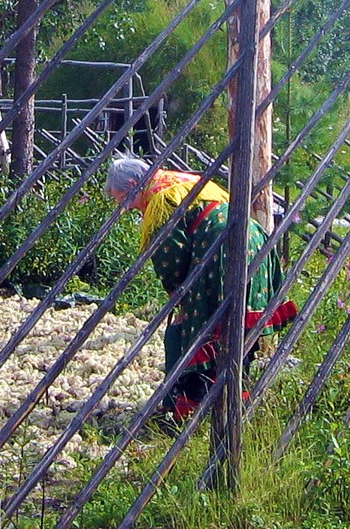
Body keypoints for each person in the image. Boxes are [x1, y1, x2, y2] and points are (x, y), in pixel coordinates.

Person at [105, 157, 298, 424]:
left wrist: (179, 295)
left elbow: (170, 255)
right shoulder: (182, 180)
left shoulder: (160, 199)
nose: (126, 208)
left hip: (219, 249)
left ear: (133, 184)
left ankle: (189, 406)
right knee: (238, 322)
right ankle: (234, 395)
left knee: (198, 329)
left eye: (124, 200)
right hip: (249, 237)